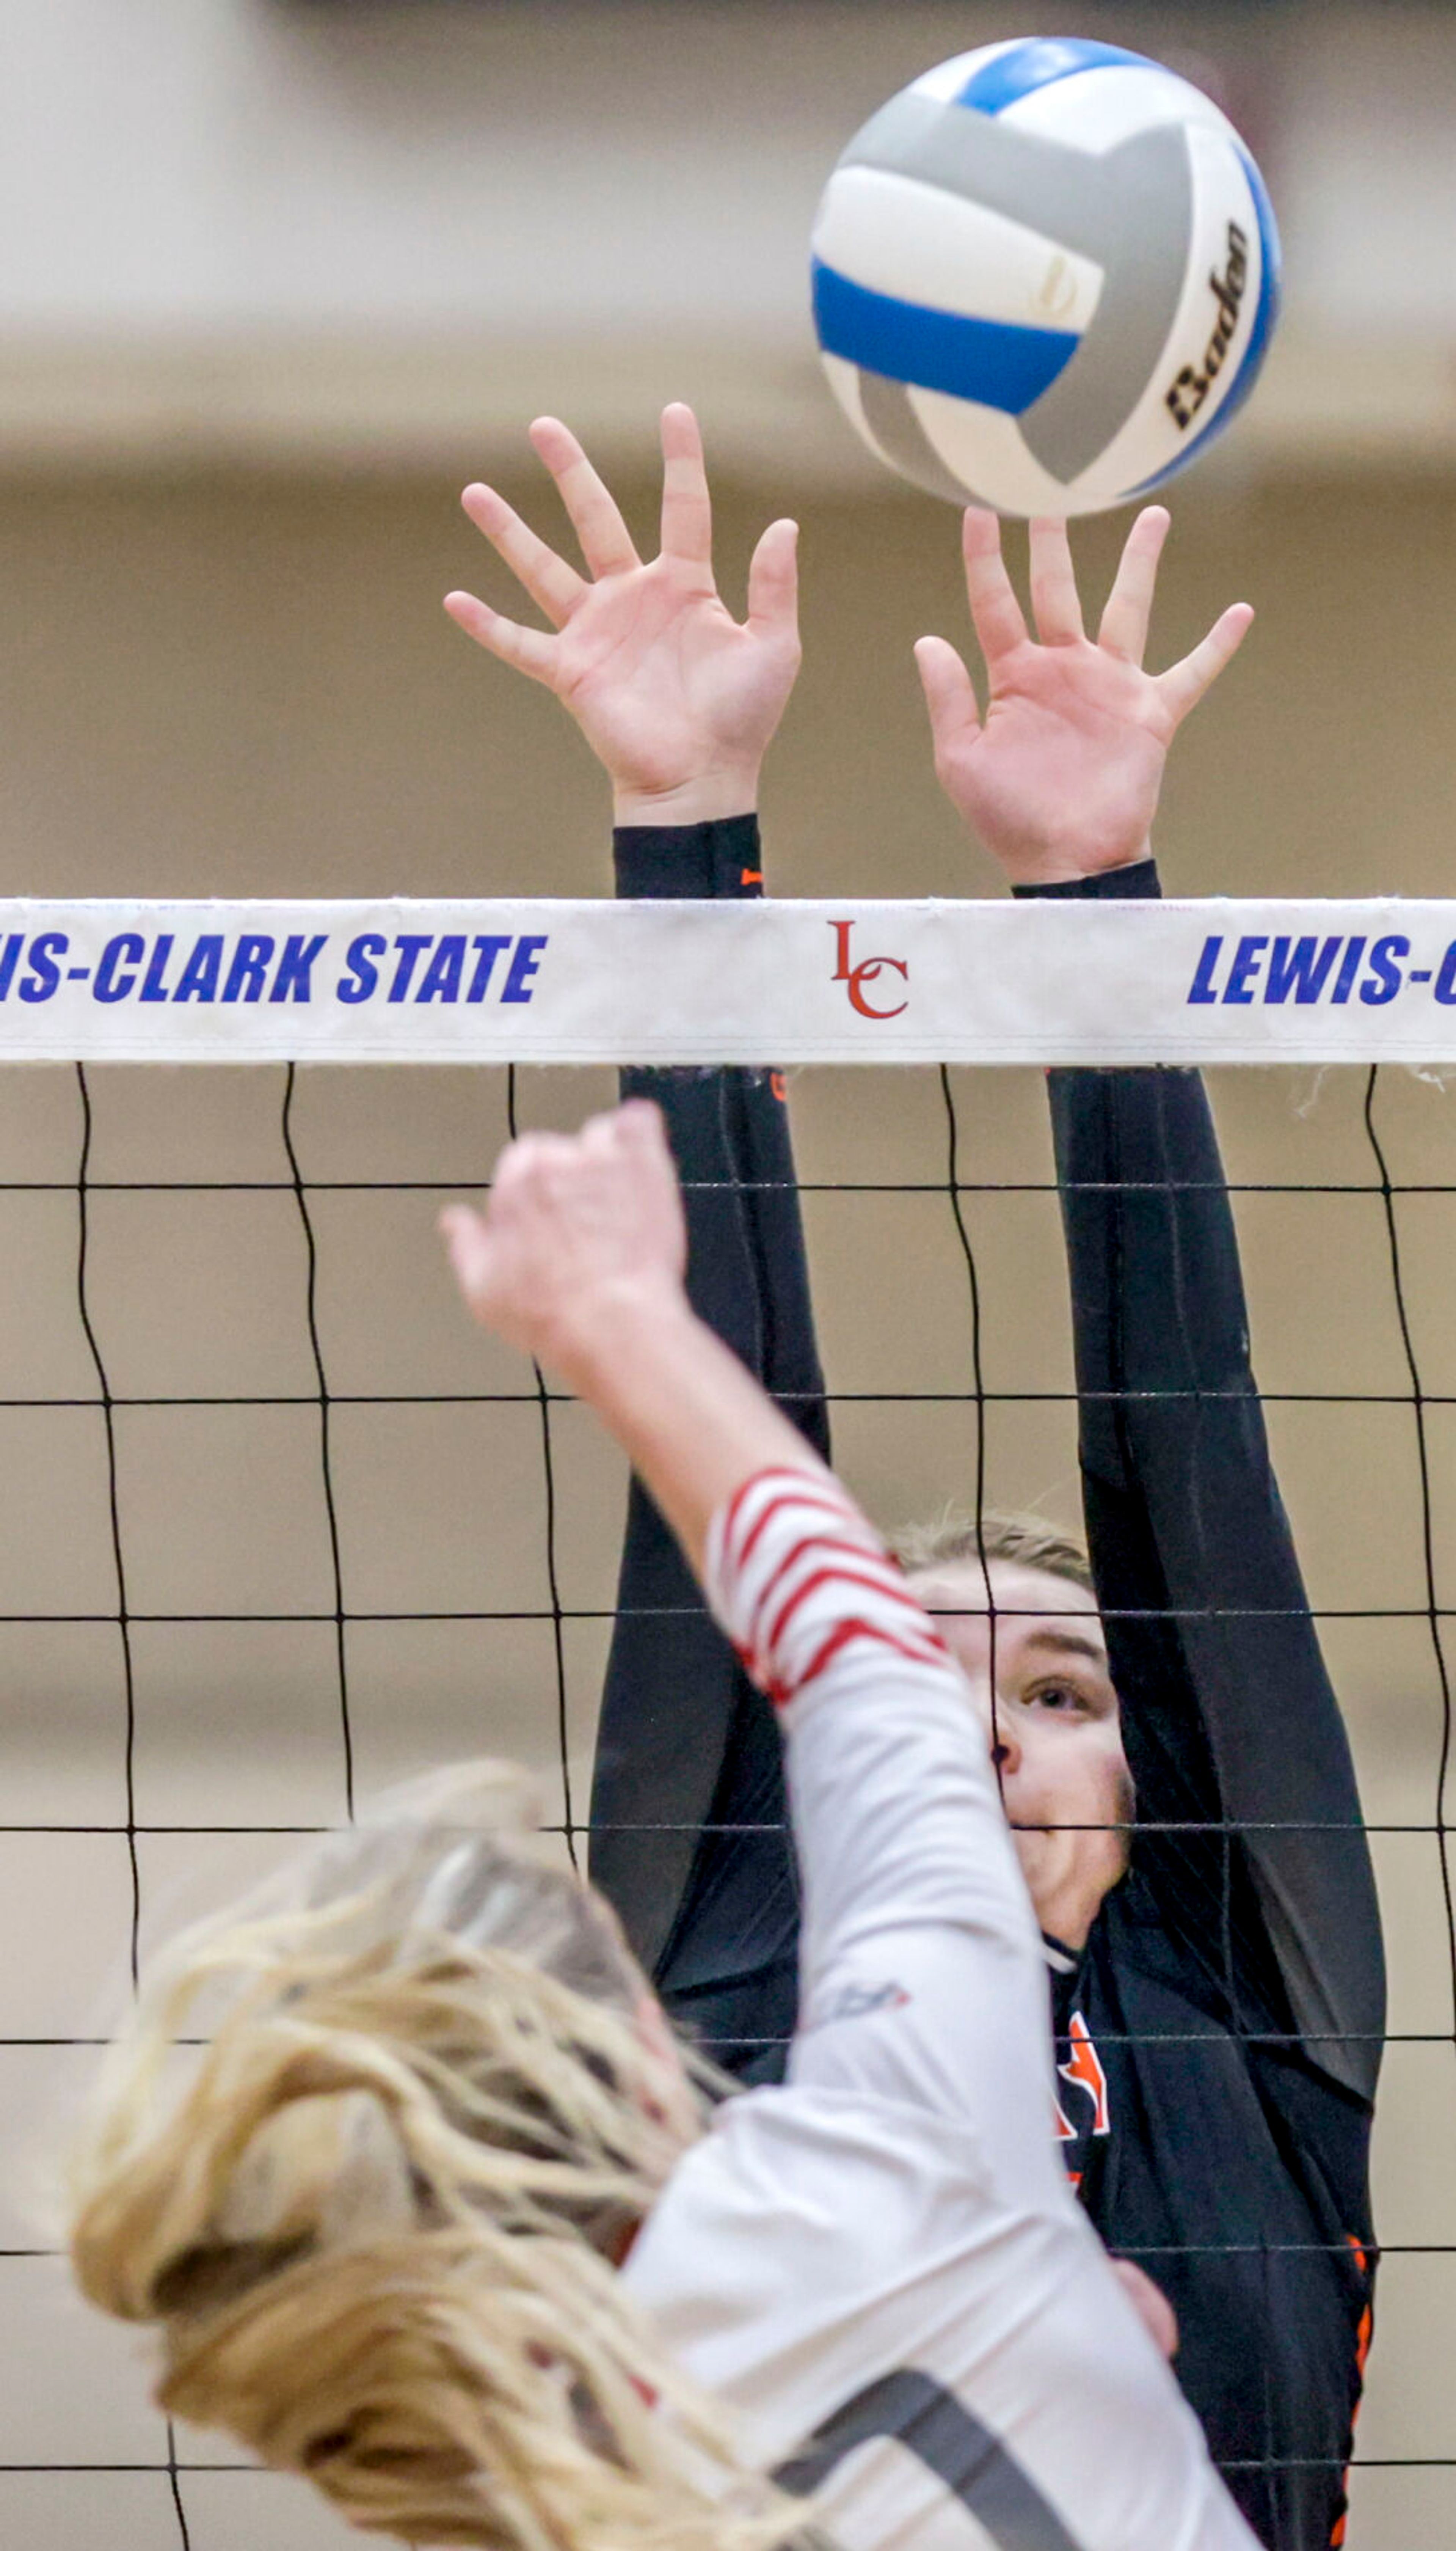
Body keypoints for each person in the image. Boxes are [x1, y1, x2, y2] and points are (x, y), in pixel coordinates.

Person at [444, 408, 1385, 2551]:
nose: (973, 1725)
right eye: (921, 1679)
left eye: (1060, 1689)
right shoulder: (723, 2004)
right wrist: (680, 818)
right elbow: (727, 1437)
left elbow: (1186, 1431)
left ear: (1156, 1795)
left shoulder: (1247, 2017)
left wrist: (1093, 907)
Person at [68, 1099, 1258, 2551]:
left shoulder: (501, 2476)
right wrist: (613, 1318)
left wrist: (1032, 2321)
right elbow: (863, 1658)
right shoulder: (893, 2162)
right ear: (635, 2067)